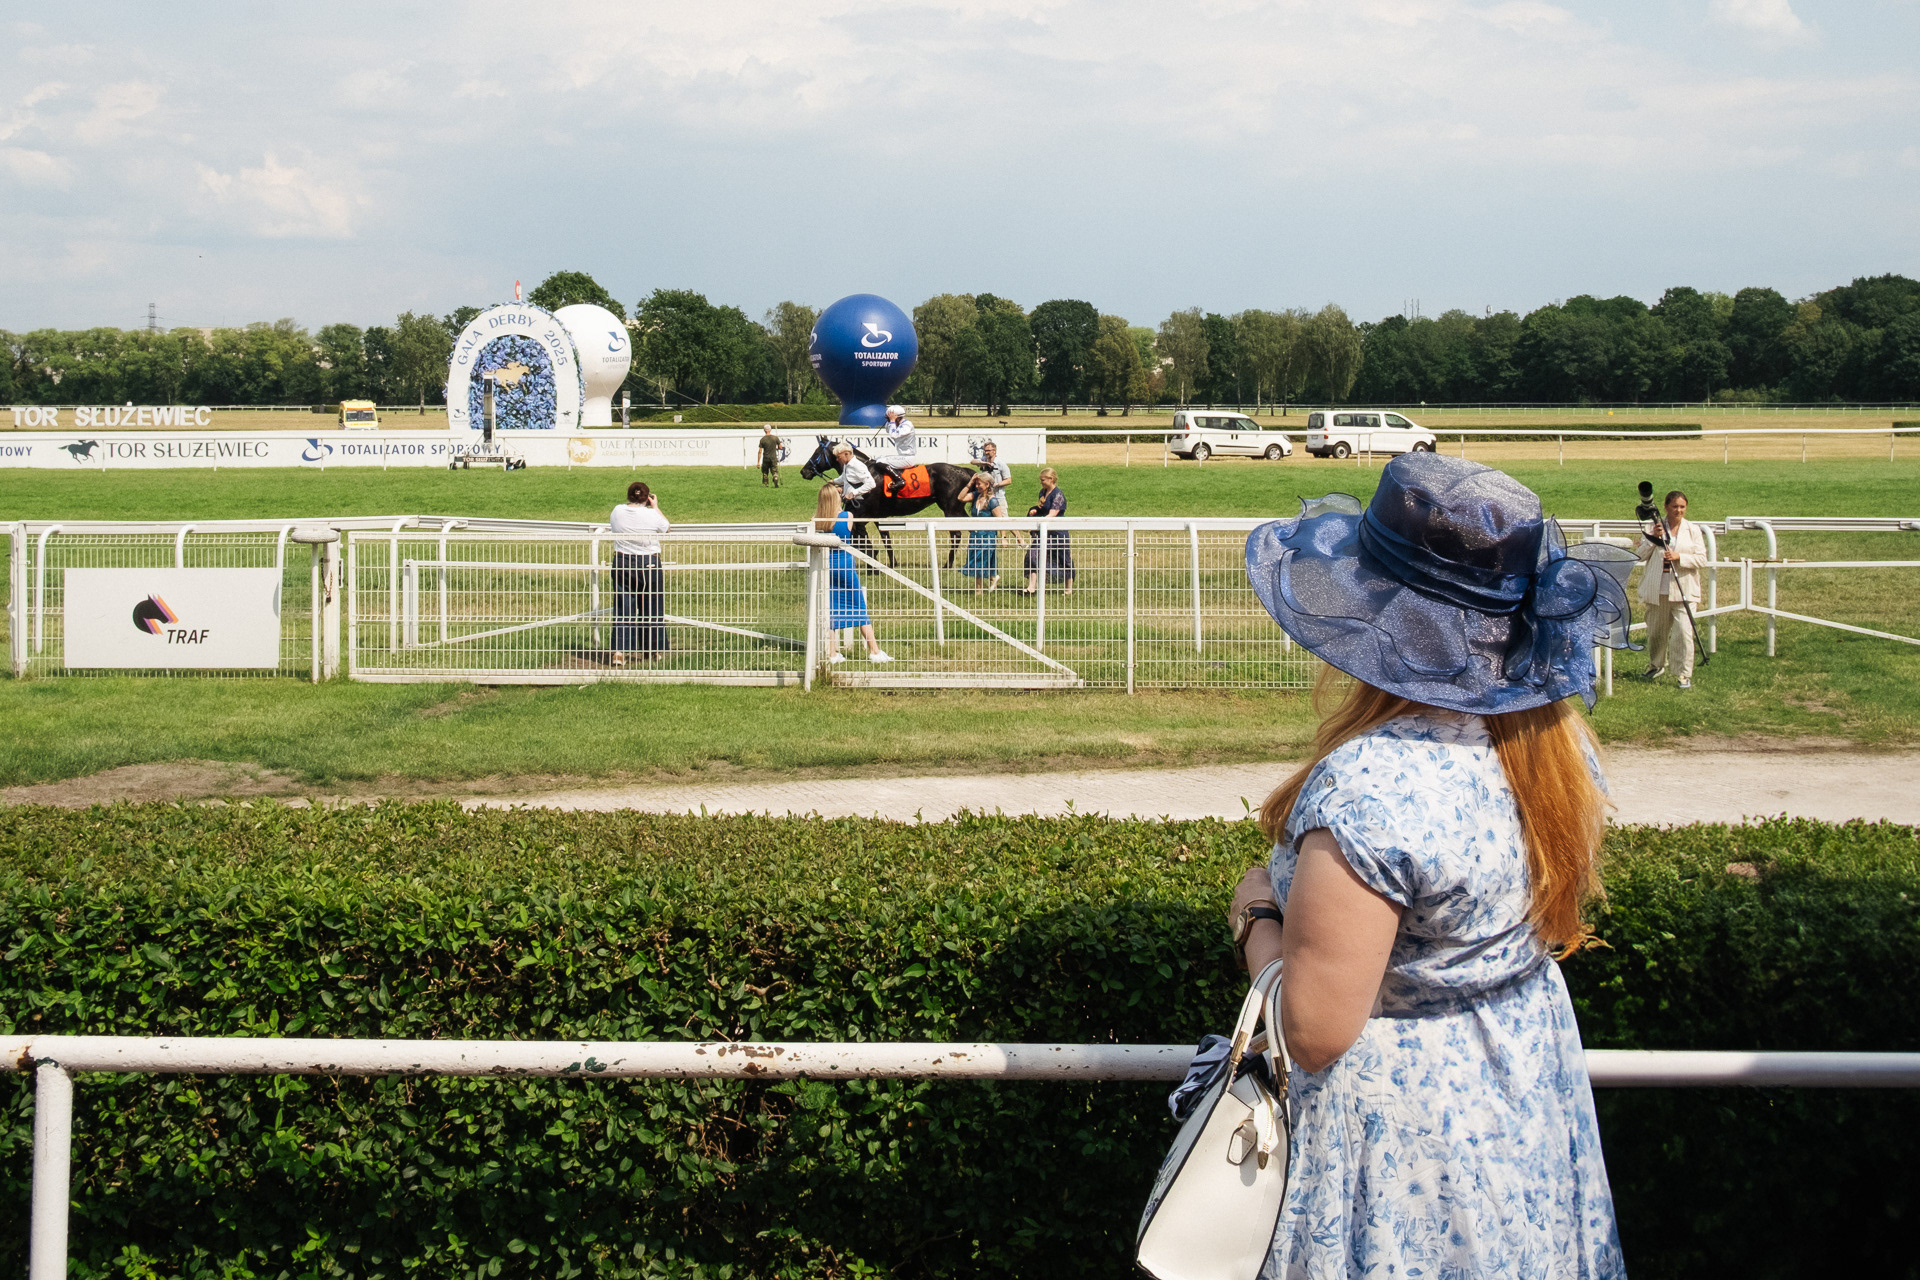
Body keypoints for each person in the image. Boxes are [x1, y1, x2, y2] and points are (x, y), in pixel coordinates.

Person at [1228, 452, 1636, 1279]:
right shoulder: (1554, 751)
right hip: (1522, 1110)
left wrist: (1254, 917)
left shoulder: (1370, 788)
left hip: (1402, 1148)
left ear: (1383, 614)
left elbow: (1315, 1030)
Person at [1635, 488, 1707, 690]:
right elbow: (1640, 555)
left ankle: (1683, 673)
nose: (1679, 510)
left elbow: (1701, 559)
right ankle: (1656, 665)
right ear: (1666, 507)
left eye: (1682, 507)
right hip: (1658, 589)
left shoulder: (1693, 530)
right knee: (1656, 632)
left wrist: (1680, 557)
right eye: (1674, 506)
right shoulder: (1653, 527)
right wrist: (1653, 538)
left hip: (1684, 589)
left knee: (1683, 633)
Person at [814, 484, 892, 663]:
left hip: (826, 566)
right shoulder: (846, 516)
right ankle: (874, 651)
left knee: (830, 609)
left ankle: (832, 653)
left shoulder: (816, 521)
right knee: (859, 607)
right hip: (845, 566)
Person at [608, 480, 670, 666]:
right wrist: (656, 507)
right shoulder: (651, 514)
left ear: (629, 496)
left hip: (622, 561)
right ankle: (653, 649)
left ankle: (619, 652)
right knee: (652, 606)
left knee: (623, 607)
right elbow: (666, 528)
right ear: (647, 498)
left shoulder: (617, 510)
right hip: (648, 562)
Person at [1021, 467, 1073, 596]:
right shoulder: (1042, 492)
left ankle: (1068, 589)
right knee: (1033, 555)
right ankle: (1031, 588)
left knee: (1063, 559)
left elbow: (1052, 514)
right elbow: (1042, 509)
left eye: (1043, 480)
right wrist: (1035, 511)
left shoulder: (1058, 495)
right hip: (1044, 531)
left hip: (1057, 532)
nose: (1041, 482)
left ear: (1051, 479)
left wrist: (1038, 522)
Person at [959, 473, 1001, 592]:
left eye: (979, 484)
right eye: (976, 484)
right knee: (978, 560)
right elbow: (961, 498)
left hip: (987, 535)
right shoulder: (975, 496)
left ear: (987, 485)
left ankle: (979, 591)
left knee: (980, 561)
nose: (976, 486)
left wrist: (1003, 537)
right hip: (975, 535)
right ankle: (993, 578)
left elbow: (1001, 520)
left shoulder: (992, 501)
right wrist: (970, 483)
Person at [832, 442, 876, 507]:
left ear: (846, 454)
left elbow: (871, 484)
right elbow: (844, 478)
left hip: (859, 504)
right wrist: (833, 481)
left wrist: (853, 493)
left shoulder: (858, 466)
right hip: (850, 502)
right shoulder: (846, 465)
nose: (837, 459)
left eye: (838, 457)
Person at [975, 440, 1011, 515]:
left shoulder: (1001, 464)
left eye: (988, 450)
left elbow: (1008, 480)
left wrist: (997, 484)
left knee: (1003, 520)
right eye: (985, 450)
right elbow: (972, 461)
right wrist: (983, 463)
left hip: (998, 497)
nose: (986, 453)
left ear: (994, 451)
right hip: (986, 497)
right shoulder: (983, 460)